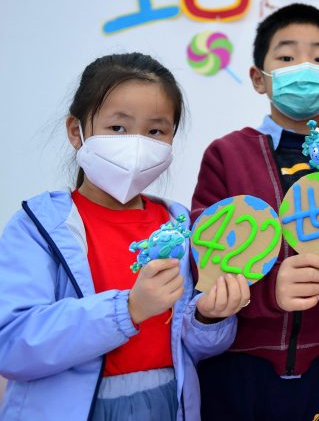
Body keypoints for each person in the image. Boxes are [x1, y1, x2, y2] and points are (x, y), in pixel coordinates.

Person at [0, 52, 244, 421]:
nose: (136, 144)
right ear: (75, 131)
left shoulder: (177, 223)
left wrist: (210, 319)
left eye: (155, 131)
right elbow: (12, 345)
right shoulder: (38, 227)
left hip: (168, 404)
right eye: (118, 128)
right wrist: (128, 309)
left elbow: (188, 348)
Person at [191, 4, 319, 421]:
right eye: (287, 58)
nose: (304, 68)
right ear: (259, 78)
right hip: (237, 362)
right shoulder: (226, 155)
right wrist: (270, 290)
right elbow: (204, 266)